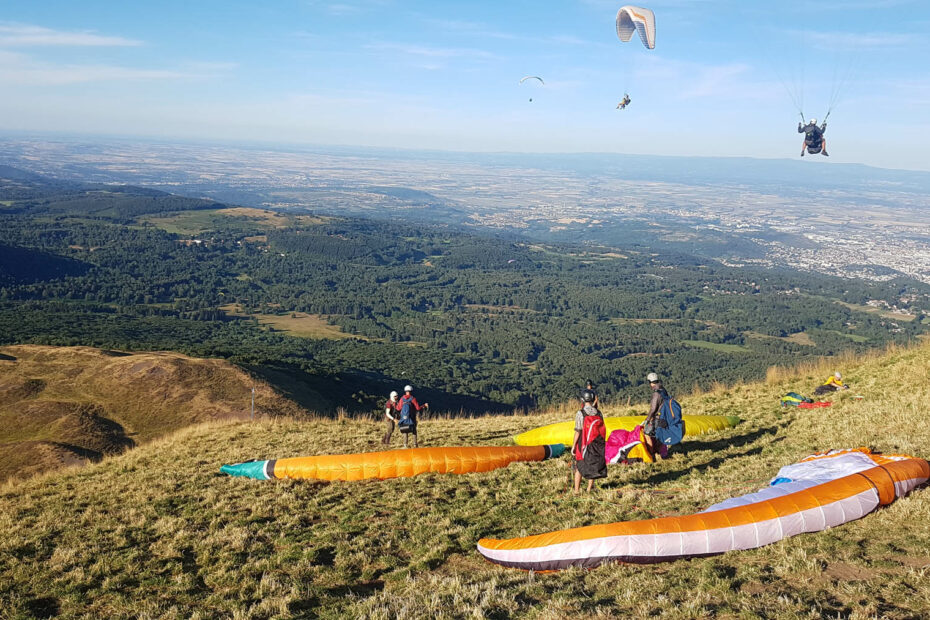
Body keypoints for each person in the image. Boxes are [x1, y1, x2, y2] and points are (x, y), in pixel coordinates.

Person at [572, 389, 607, 494]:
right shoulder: (598, 412)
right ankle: (589, 489)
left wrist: (574, 445)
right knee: (593, 464)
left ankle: (577, 491)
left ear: (583, 399)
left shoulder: (581, 413)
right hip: (596, 443)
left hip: (583, 443)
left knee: (579, 465)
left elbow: (578, 431)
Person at [643, 372, 670, 459]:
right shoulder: (663, 390)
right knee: (660, 436)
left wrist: (647, 419)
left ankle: (651, 455)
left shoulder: (656, 394)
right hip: (665, 417)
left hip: (658, 418)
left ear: (650, 382)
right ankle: (663, 454)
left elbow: (653, 409)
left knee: (647, 434)